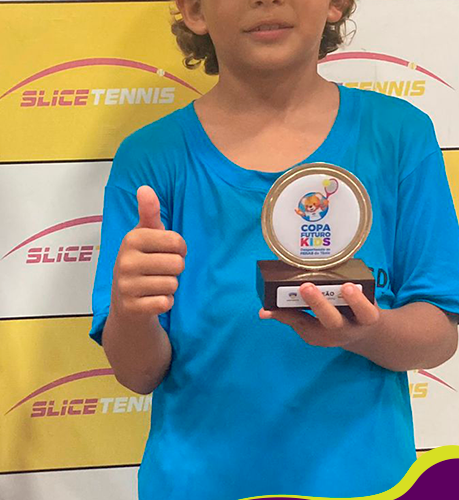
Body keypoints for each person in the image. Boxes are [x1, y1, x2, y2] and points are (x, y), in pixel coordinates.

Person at [90, 0, 459, 498]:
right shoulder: (150, 158)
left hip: (366, 482)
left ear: (334, 4)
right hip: (198, 483)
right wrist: (132, 311)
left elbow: (439, 336)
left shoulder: (399, 135)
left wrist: (366, 331)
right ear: (195, 10)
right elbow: (137, 373)